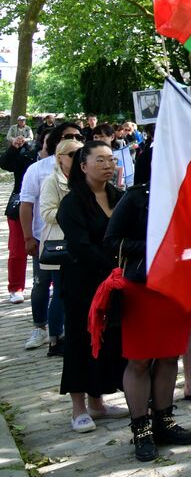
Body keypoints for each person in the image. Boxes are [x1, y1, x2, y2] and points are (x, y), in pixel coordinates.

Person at [102, 145, 191, 461]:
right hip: (142, 289)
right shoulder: (135, 197)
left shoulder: (187, 195)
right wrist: (155, 245)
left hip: (177, 288)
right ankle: (141, 428)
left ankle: (164, 420)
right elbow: (111, 241)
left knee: (170, 356)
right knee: (140, 360)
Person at [55, 141, 127, 433]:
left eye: (110, 159)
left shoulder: (120, 197)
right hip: (82, 282)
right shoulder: (72, 203)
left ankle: (98, 402)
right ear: (83, 166)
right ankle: (78, 407)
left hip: (114, 282)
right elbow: (80, 246)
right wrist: (112, 268)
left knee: (106, 340)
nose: (108, 164)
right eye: (100, 160)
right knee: (79, 340)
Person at [22, 121, 81, 353]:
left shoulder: (84, 173)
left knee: (65, 289)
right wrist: (28, 237)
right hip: (48, 239)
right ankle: (43, 329)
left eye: (78, 137)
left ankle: (65, 333)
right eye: (69, 138)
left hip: (77, 241)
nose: (75, 140)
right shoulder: (40, 172)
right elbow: (32, 206)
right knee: (44, 286)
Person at [4, 129, 37, 304]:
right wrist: (14, 148)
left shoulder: (63, 161)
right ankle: (16, 287)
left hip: (47, 208)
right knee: (18, 250)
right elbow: (5, 163)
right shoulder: (26, 154)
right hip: (19, 206)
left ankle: (51, 282)